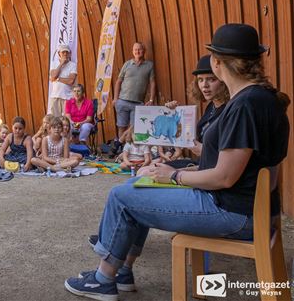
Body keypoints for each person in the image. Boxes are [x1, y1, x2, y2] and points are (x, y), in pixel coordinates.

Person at [64, 23, 290, 301]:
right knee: (140, 186)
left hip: (231, 212)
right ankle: (120, 272)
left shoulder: (244, 105)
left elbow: (224, 178)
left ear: (217, 63)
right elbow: (241, 169)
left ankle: (104, 279)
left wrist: (174, 176)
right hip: (248, 210)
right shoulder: (264, 99)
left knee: (122, 196)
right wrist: (183, 170)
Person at [112, 42, 156, 148]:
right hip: (122, 100)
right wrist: (115, 98)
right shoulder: (127, 64)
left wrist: (151, 100)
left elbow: (152, 83)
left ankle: (129, 149)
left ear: (144, 51)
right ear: (132, 51)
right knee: (121, 126)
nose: (137, 51)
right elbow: (118, 81)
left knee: (134, 128)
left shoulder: (149, 65)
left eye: (139, 49)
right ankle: (122, 150)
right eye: (135, 50)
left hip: (138, 103)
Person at [48, 44, 77, 116]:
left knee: (66, 120)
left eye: (67, 52)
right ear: (59, 54)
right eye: (63, 52)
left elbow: (71, 81)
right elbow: (53, 76)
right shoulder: (54, 63)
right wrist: (61, 64)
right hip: (55, 96)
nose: (65, 54)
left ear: (70, 54)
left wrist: (57, 79)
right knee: (54, 120)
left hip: (67, 97)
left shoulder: (73, 65)